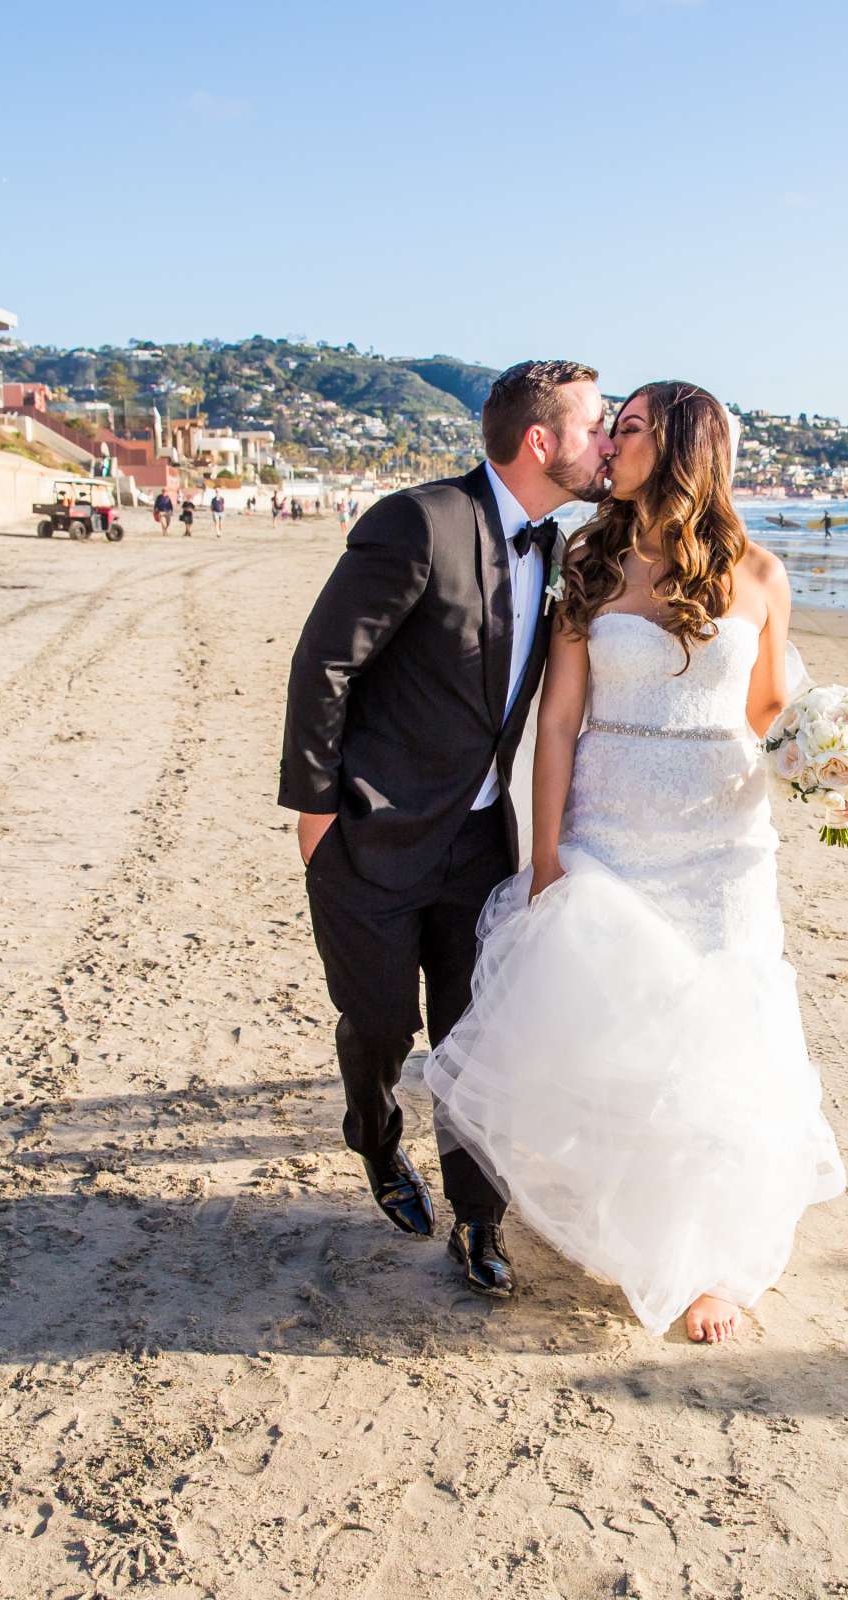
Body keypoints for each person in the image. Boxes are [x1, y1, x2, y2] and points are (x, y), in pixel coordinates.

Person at [425, 380, 843, 1344]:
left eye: (633, 427)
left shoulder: (761, 575)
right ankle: (630, 1222)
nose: (612, 442)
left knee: (719, 1043)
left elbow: (775, 713)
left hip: (721, 846)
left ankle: (711, 1266)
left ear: (685, 446)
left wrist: (837, 761)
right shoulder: (592, 559)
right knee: (621, 1037)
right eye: (612, 425)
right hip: (608, 834)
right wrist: (545, 859)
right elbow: (559, 722)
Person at [280, 360, 613, 1300]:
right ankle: (375, 1138)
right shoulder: (418, 521)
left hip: (477, 847)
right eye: (594, 426)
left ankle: (478, 1218)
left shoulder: (561, 549)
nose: (605, 441)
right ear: (542, 442)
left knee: (473, 1034)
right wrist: (313, 812)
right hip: (370, 837)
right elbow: (325, 665)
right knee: (381, 1025)